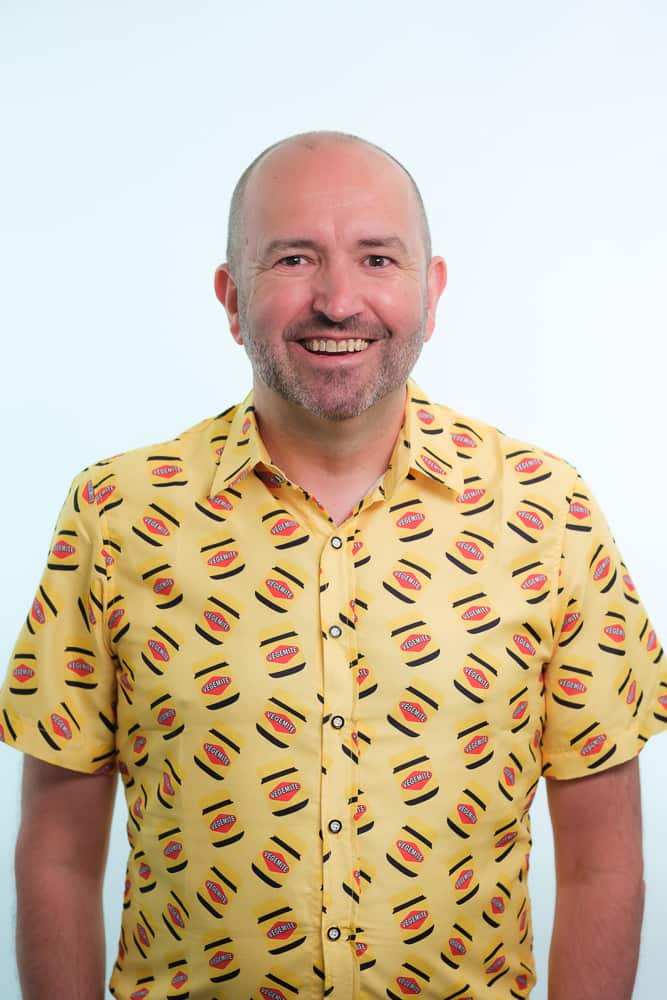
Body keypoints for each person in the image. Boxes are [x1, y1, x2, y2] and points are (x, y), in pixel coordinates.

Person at [1, 130, 664, 1000]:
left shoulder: (547, 509)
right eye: (293, 259)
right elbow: (55, 853)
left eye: (377, 258)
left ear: (430, 293)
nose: (338, 300)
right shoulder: (116, 514)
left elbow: (602, 865)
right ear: (231, 297)